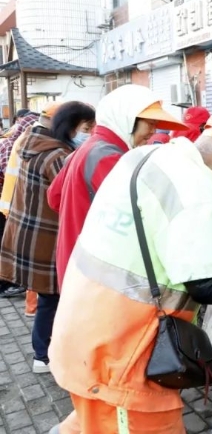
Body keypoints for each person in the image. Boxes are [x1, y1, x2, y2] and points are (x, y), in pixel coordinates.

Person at [48, 106, 212, 434]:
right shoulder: (198, 191)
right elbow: (207, 286)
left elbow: (157, 235)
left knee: (91, 423)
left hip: (85, 328)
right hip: (121, 355)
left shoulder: (149, 157)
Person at [47, 85, 188, 290]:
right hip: (93, 273)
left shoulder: (90, 147)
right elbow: (144, 213)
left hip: (73, 262)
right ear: (127, 118)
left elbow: (54, 197)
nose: (153, 131)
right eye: (149, 123)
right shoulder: (108, 157)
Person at [0, 101, 96, 374]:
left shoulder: (32, 143)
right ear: (69, 126)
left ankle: (44, 351)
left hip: (32, 235)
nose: (88, 133)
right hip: (48, 237)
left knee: (48, 299)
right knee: (52, 299)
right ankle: (43, 355)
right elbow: (71, 197)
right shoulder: (56, 157)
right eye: (86, 128)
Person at [0, 111, 39, 298]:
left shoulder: (12, 143)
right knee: (11, 248)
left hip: (9, 203)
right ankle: (8, 282)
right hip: (13, 205)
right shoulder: (17, 147)